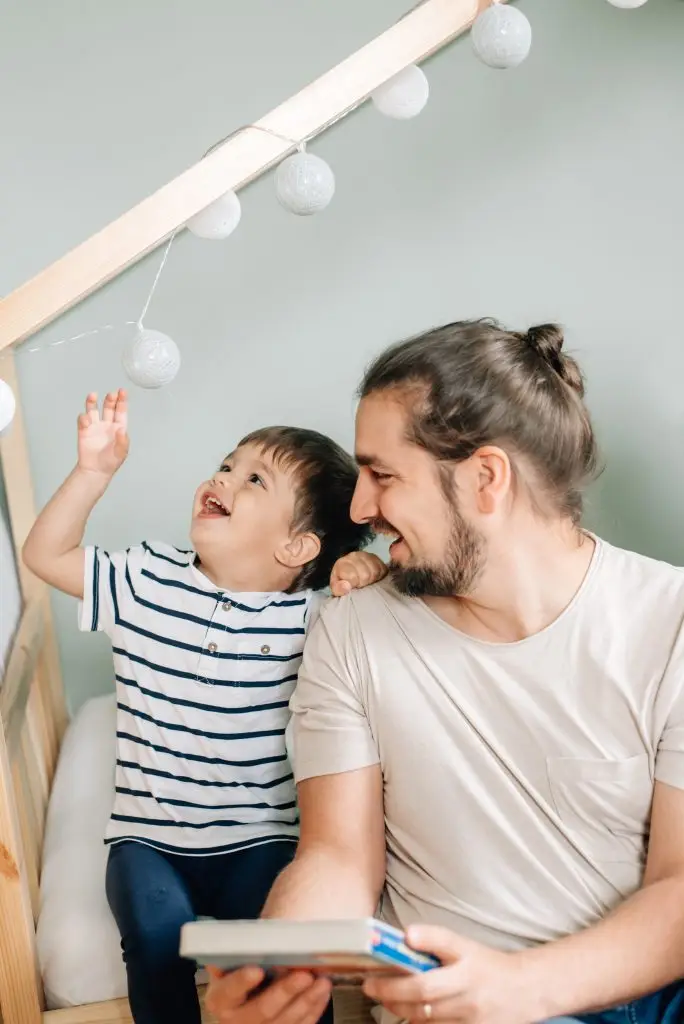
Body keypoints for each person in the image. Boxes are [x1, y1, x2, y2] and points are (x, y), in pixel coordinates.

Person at [205, 320, 684, 1024]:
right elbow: (337, 855)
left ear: (486, 478)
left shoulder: (668, 621)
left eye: (383, 476)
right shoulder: (351, 631)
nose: (360, 509)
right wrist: (285, 960)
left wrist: (519, 986)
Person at [22, 388, 387, 1024]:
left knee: (284, 955)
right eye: (226, 465)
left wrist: (370, 572)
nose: (222, 479)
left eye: (254, 480)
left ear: (297, 548)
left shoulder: (314, 619)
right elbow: (44, 555)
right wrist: (92, 472)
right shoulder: (144, 579)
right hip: (148, 840)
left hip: (257, 836)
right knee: (157, 937)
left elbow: (403, 615)